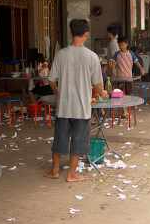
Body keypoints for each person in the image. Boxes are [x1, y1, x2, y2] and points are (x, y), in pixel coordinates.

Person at [47, 19, 107, 182]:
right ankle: (72, 174)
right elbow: (98, 85)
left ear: (71, 32)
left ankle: (55, 170)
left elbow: (51, 79)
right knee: (78, 141)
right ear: (86, 33)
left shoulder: (61, 54)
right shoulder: (92, 57)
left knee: (60, 139)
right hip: (81, 108)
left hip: (64, 107)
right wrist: (103, 93)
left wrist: (58, 92)